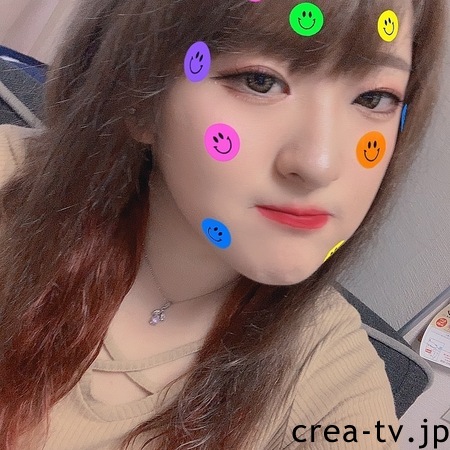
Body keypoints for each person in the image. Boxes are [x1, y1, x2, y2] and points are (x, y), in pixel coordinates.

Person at [0, 0, 446, 448]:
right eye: (259, 81)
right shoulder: (10, 181)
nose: (320, 163)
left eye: (374, 98)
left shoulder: (332, 372)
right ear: (139, 96)